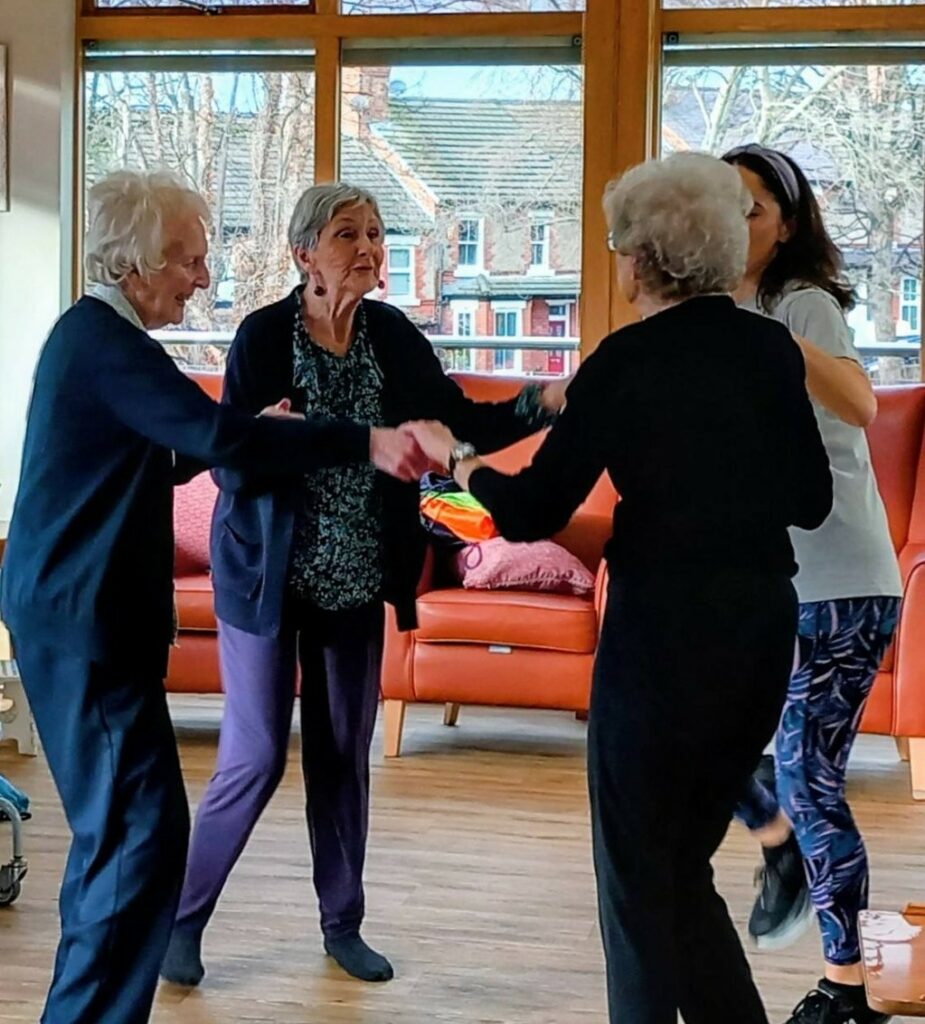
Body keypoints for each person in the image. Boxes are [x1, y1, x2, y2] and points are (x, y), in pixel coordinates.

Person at [406, 152, 833, 1024]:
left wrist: (453, 466)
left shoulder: (623, 360)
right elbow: (812, 501)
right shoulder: (767, 349)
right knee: (681, 873)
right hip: (757, 630)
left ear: (643, 257)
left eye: (615, 245)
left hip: (659, 642)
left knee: (636, 885)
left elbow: (527, 511)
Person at [0, 169, 432, 1024]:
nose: (202, 277)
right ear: (135, 263)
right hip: (82, 626)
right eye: (190, 260)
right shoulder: (107, 345)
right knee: (133, 843)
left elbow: (164, 453)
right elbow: (211, 432)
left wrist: (255, 435)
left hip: (79, 621)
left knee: (132, 841)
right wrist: (363, 441)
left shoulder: (104, 343)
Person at [160, 182, 568, 988]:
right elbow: (239, 456)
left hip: (355, 580)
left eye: (377, 234)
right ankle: (179, 921)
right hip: (267, 578)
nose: (368, 249)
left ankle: (342, 923)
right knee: (254, 756)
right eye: (348, 234)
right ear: (303, 252)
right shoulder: (262, 336)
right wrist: (316, 440)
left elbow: (455, 421)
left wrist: (547, 400)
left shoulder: (389, 334)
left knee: (345, 754)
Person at [723, 143, 903, 1024]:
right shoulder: (718, 308)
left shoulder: (802, 302)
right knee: (698, 739)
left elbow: (862, 405)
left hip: (839, 582)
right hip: (763, 581)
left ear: (786, 225)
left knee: (809, 777)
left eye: (751, 208)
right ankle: (779, 840)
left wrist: (771, 341)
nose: (733, 221)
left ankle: (847, 992)